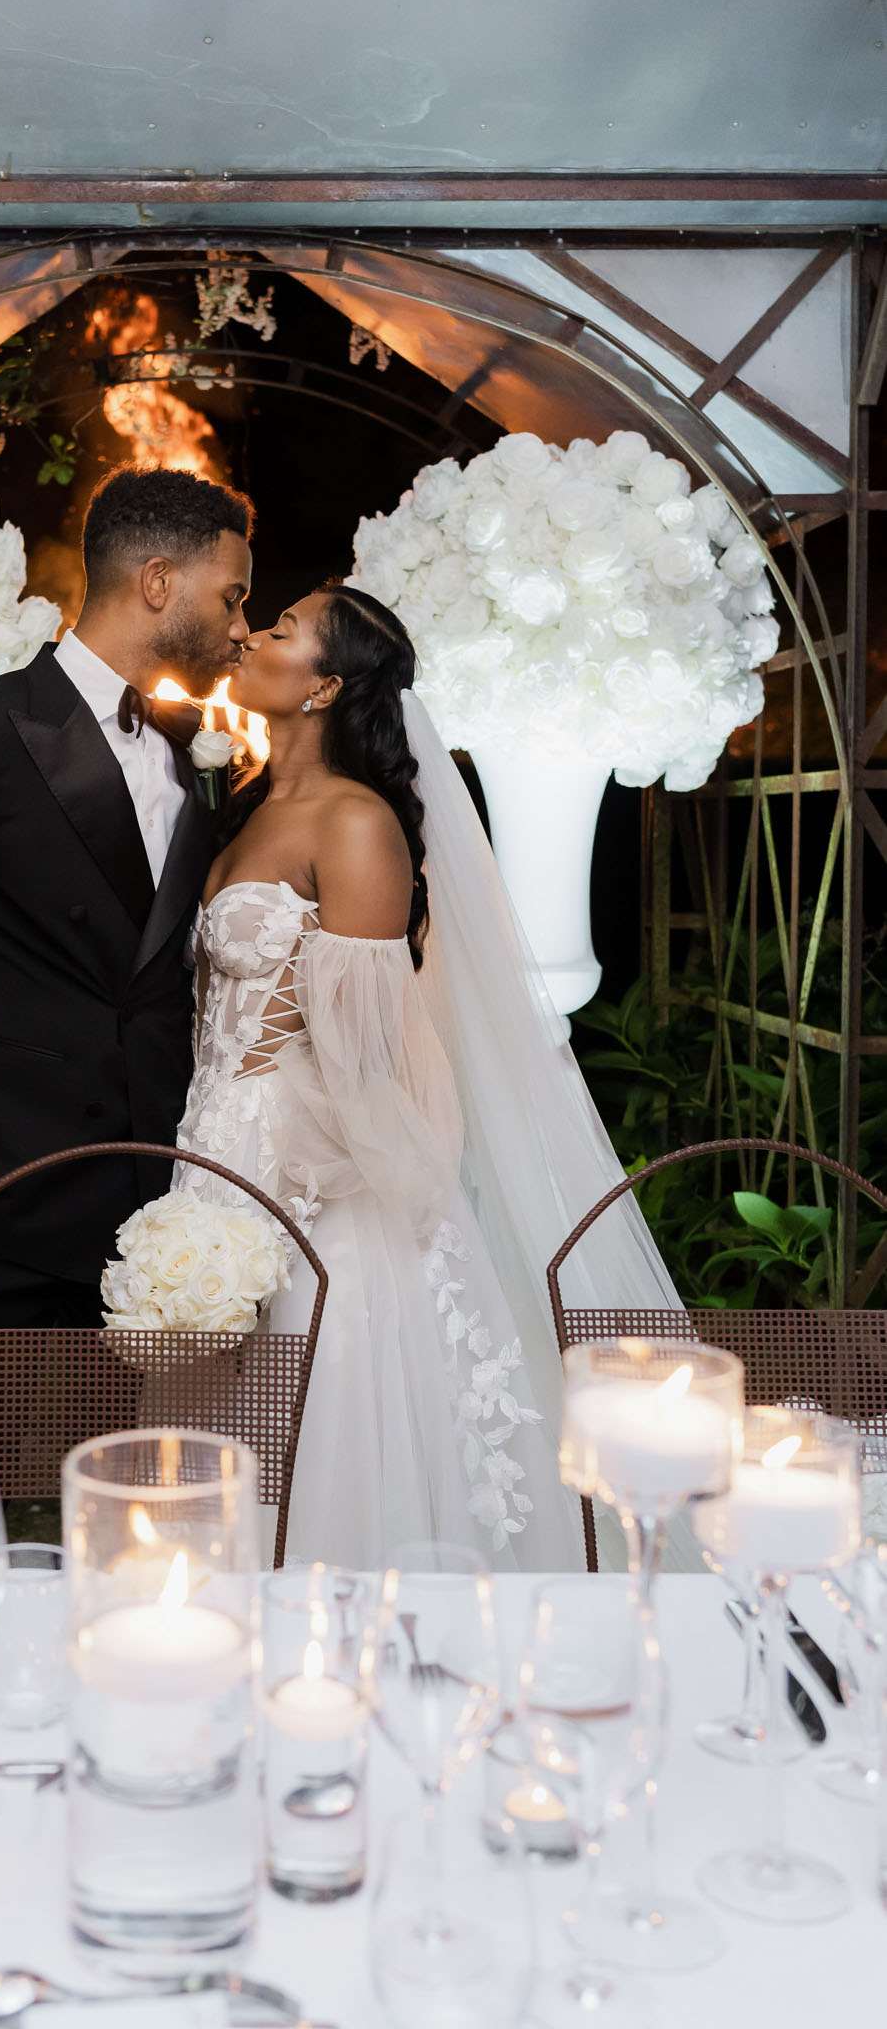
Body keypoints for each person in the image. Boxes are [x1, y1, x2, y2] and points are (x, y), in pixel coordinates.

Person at [173, 583, 683, 1569]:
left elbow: (365, 1058)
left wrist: (274, 1193)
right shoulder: (248, 801)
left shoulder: (356, 821)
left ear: (323, 687)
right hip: (212, 1150)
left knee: (319, 1448)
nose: (252, 634)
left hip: (311, 1183)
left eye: (280, 630)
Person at [0, 466, 253, 1453]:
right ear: (157, 581)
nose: (243, 626)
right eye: (232, 594)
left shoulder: (196, 748)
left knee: (124, 1511)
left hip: (151, 1220)